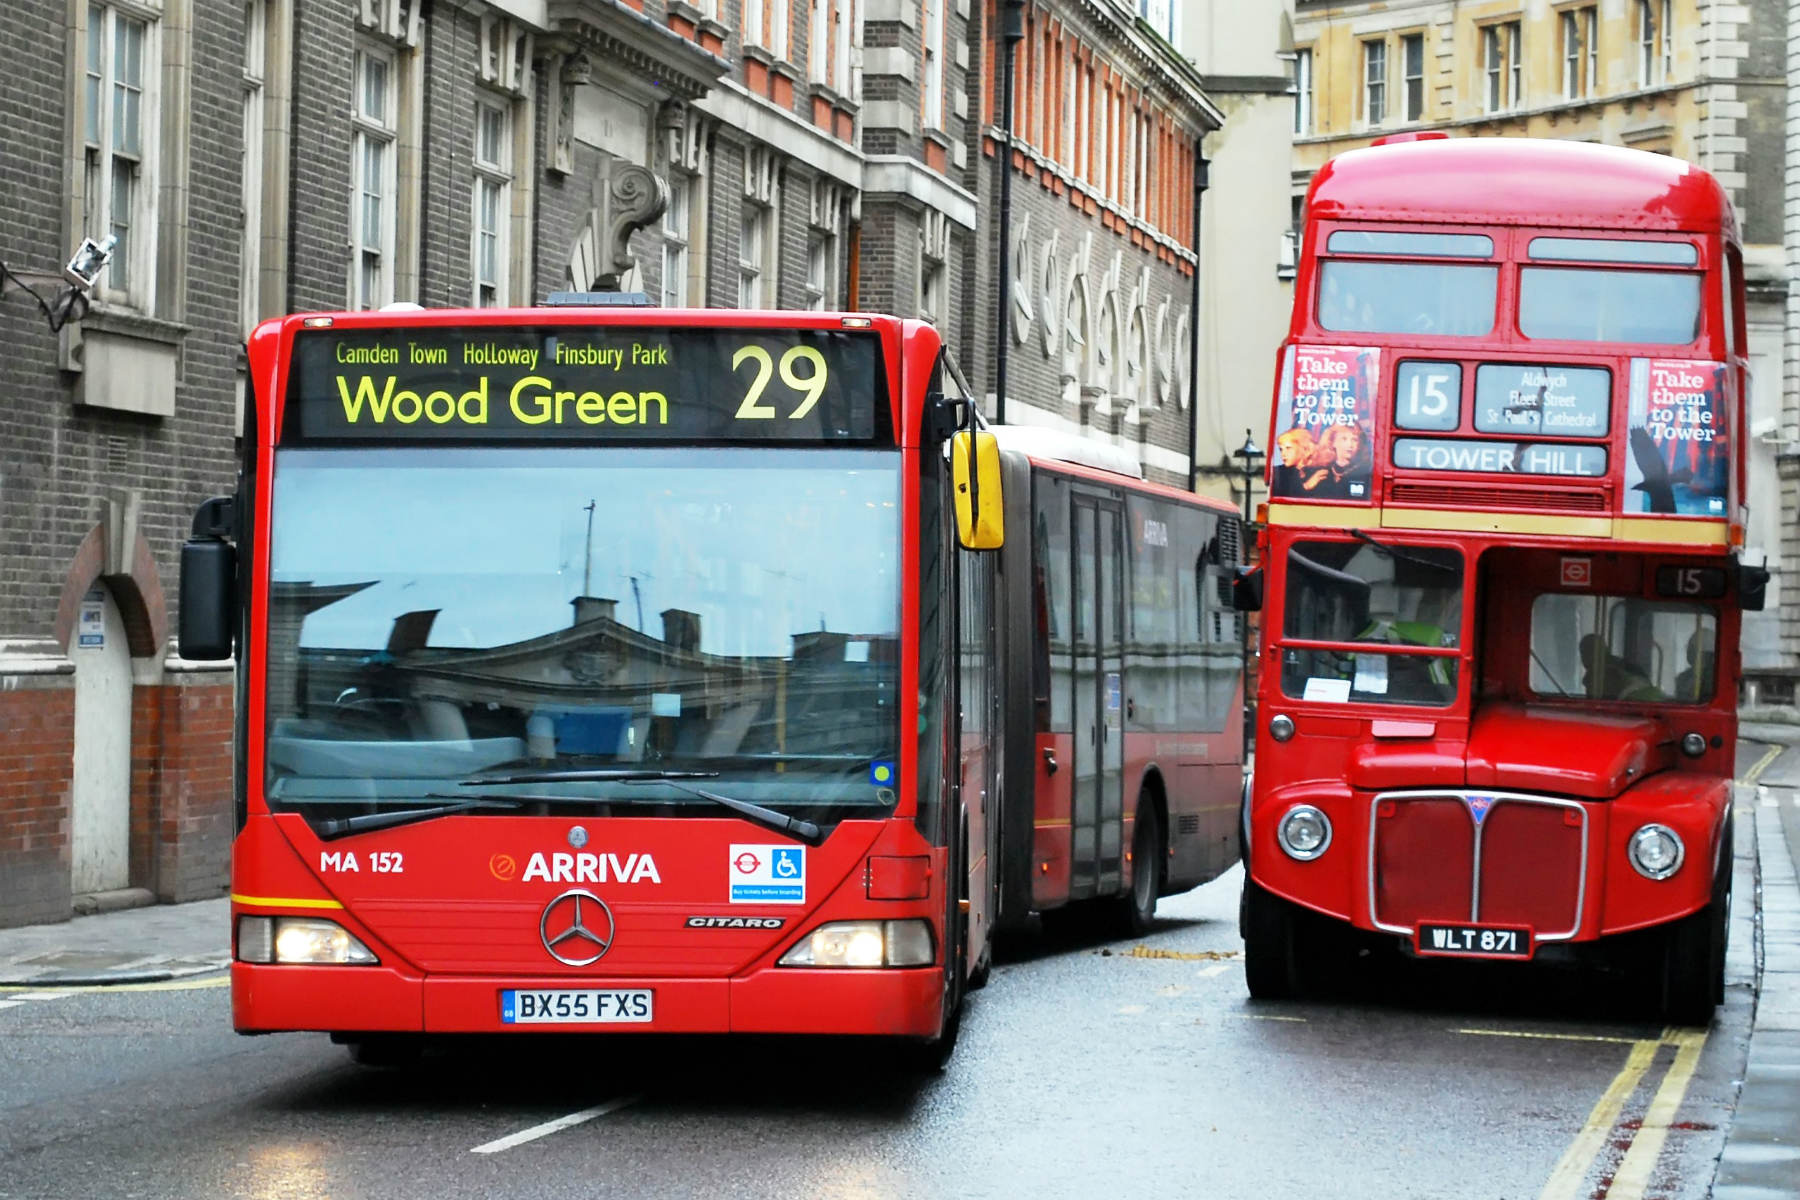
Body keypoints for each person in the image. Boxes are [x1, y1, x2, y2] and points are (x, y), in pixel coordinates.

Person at [1579, 634, 1664, 701]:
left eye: (1586, 652)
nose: (1583, 658)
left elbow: (1596, 703)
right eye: (1582, 653)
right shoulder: (1627, 666)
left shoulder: (1603, 672)